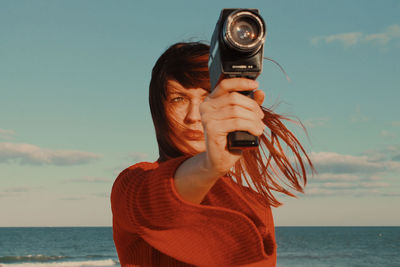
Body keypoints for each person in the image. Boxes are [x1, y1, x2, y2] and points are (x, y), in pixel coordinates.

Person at [111, 42, 313, 267]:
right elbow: (158, 205)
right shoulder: (132, 183)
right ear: (159, 110)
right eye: (178, 99)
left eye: (209, 98)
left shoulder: (254, 205)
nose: (194, 116)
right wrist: (209, 166)